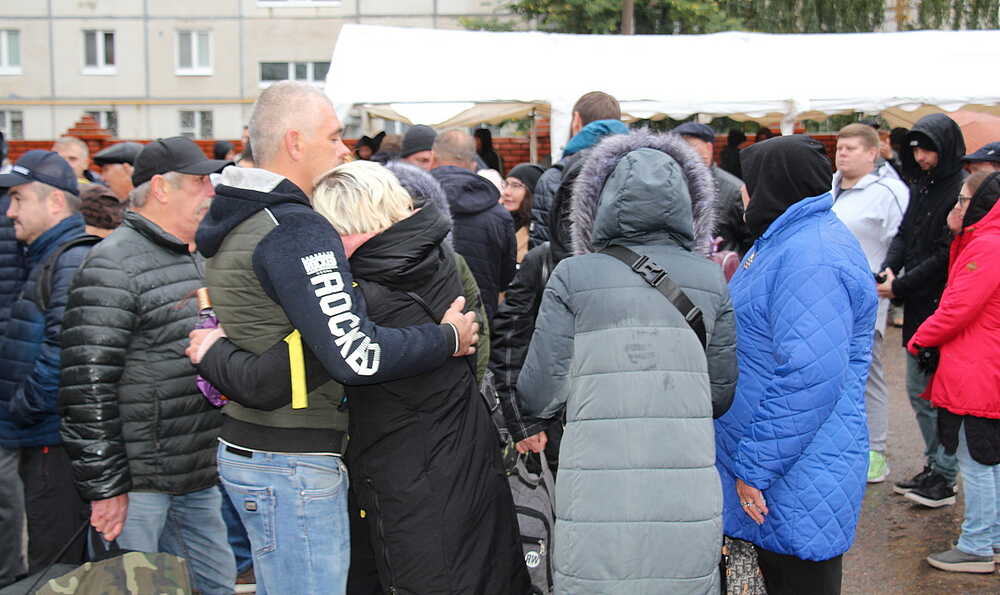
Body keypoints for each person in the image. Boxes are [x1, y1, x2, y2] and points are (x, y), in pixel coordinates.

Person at [190, 81, 478, 595]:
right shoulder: (297, 228)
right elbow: (355, 354)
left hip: (261, 448)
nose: (345, 149)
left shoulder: (241, 215)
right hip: (293, 460)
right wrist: (446, 338)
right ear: (295, 142)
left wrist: (217, 354)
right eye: (333, 137)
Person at [518, 130, 737, 594]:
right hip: (684, 471)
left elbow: (540, 393)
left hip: (597, 474)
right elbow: (720, 393)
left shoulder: (573, 275)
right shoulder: (710, 278)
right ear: (688, 204)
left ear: (600, 202)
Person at [59, 137, 233, 595]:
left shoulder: (197, 254)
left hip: (195, 474)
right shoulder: (112, 265)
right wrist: (106, 489)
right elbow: (85, 388)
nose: (211, 192)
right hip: (138, 486)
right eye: (199, 183)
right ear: (160, 188)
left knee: (216, 583)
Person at [715, 135, 876, 595]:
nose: (742, 193)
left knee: (798, 577)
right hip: (786, 461)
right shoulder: (785, 240)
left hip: (794, 467)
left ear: (775, 185)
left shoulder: (811, 256)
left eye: (750, 182)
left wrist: (755, 466)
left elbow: (811, 375)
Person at [0, 151, 93, 580]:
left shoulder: (68, 258)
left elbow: (63, 353)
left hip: (50, 437)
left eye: (19, 199)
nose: (9, 212)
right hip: (41, 435)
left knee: (55, 566)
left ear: (55, 202)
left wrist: (22, 407)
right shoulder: (44, 253)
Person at [909, 171, 1000, 574]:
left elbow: (956, 309)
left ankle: (977, 545)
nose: (956, 206)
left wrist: (919, 340)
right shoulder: (987, 240)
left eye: (963, 200)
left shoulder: (987, 245)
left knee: (975, 462)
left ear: (980, 206)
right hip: (983, 367)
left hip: (975, 371)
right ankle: (991, 538)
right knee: (988, 460)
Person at [879, 113, 967, 507]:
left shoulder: (959, 190)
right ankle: (937, 466)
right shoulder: (922, 184)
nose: (920, 157)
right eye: (916, 149)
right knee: (920, 393)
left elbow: (945, 253)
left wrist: (899, 284)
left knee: (932, 394)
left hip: (941, 304)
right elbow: (905, 234)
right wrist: (890, 267)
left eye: (928, 149)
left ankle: (944, 473)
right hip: (919, 304)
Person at [831, 123, 909, 483]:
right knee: (835, 373)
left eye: (851, 148)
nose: (842, 154)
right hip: (828, 299)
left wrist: (893, 280)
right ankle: (842, 444)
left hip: (867, 299)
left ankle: (875, 450)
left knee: (868, 374)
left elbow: (902, 241)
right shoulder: (829, 187)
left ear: (872, 153)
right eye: (839, 147)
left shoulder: (888, 191)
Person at [431, 129, 516, 323]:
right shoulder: (499, 214)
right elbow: (506, 278)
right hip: (480, 319)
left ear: (433, 157)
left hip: (426, 324)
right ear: (473, 163)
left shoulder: (412, 203)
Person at [529, 91, 627, 247]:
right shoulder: (637, 169)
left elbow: (544, 243)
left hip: (569, 261)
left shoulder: (556, 176)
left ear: (576, 120)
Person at [675, 121, 752, 256]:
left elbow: (751, 239)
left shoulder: (734, 189)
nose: (683, 152)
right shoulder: (672, 184)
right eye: (678, 147)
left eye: (690, 146)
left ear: (709, 148)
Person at [500, 163, 542, 263]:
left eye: (515, 186)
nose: (506, 192)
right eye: (506, 184)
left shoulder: (539, 231)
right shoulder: (497, 223)